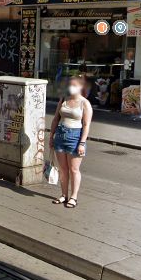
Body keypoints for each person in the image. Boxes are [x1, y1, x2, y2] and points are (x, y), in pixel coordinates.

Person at [50, 75, 93, 208]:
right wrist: (51, 136)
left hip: (75, 137)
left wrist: (82, 143)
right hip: (60, 135)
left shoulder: (84, 103)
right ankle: (64, 195)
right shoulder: (64, 99)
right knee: (63, 169)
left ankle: (73, 197)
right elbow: (56, 118)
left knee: (74, 169)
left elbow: (86, 125)